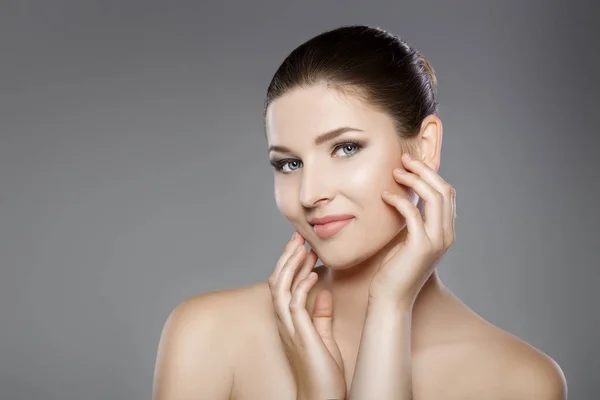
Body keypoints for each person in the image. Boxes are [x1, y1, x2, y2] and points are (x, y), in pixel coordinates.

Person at [152, 25, 567, 399]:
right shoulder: (207, 335)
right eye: (288, 164)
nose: (310, 193)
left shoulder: (521, 382)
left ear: (424, 147)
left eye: (346, 148)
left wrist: (389, 306)